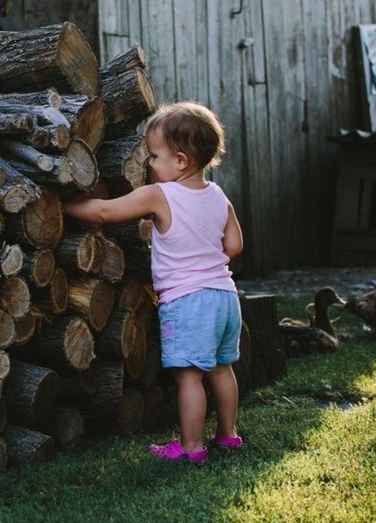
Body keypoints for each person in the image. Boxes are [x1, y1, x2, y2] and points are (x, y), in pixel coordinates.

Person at [64, 101, 244, 464]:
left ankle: (192, 448)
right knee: (223, 368)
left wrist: (65, 205)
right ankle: (228, 435)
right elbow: (234, 245)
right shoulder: (219, 195)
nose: (148, 164)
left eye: (154, 156)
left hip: (188, 301)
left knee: (189, 377)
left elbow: (105, 211)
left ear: (180, 161)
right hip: (225, 297)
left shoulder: (161, 195)